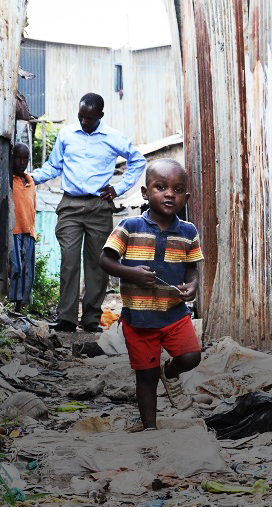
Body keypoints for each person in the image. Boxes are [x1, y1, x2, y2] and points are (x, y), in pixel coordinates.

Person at [99, 159, 202, 431]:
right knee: (145, 376)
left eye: (178, 189)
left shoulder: (188, 231)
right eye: (161, 187)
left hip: (174, 314)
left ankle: (168, 373)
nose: (170, 194)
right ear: (145, 193)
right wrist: (131, 273)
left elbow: (192, 268)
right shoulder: (129, 227)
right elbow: (105, 260)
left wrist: (192, 286)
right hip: (140, 318)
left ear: (186, 197)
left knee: (191, 356)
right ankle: (150, 426)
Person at [31, 93, 147, 333]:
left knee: (98, 263)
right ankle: (66, 318)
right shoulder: (66, 135)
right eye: (81, 116)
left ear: (100, 116)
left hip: (99, 207)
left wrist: (118, 188)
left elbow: (138, 161)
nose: (84, 122)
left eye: (89, 118)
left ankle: (92, 319)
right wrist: (30, 178)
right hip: (70, 206)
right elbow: (54, 166)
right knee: (69, 261)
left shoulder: (113, 138)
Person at [8, 143, 36, 314]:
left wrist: (33, 230)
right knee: (16, 268)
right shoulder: (9, 180)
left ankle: (20, 307)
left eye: (25, 158)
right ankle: (13, 302)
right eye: (18, 158)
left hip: (29, 231)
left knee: (27, 271)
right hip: (14, 230)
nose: (21, 162)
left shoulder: (31, 182)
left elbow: (32, 206)